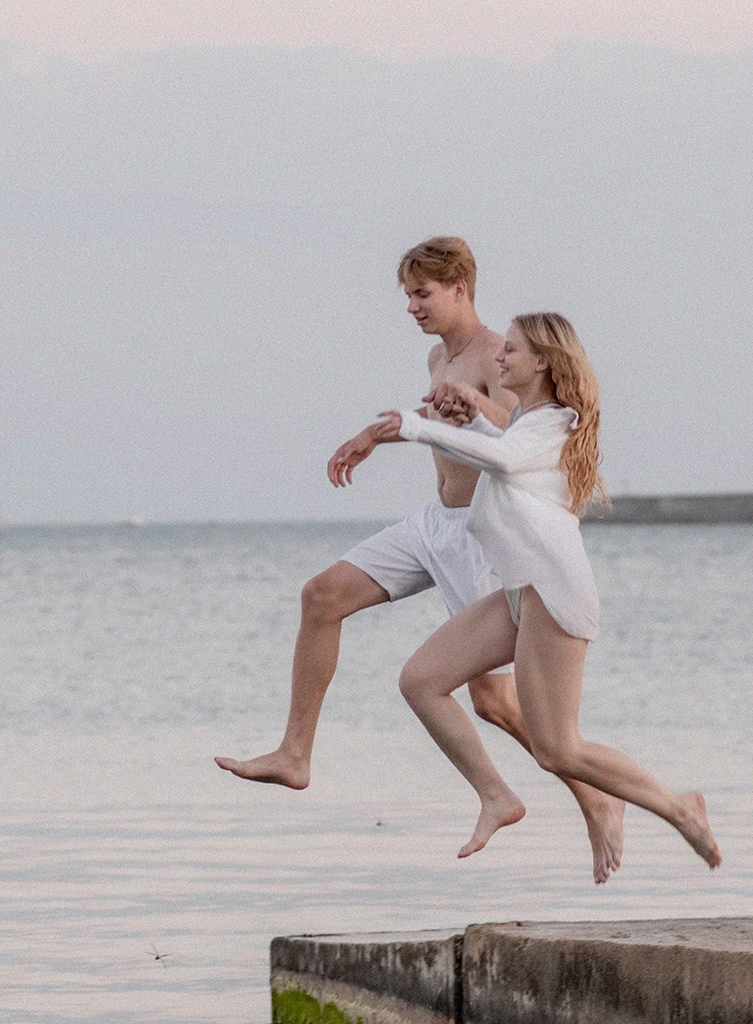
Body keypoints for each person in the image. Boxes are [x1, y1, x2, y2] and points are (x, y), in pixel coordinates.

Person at [215, 238, 629, 882]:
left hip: (480, 537)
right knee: (322, 596)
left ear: (460, 288)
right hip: (432, 525)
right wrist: (373, 434)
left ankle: (588, 797)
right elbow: (440, 411)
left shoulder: (499, 352)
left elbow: (523, 428)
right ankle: (295, 754)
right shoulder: (440, 354)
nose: (412, 307)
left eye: (422, 294)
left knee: (494, 703)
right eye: (408, 294)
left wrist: (471, 407)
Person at [363, 312, 722, 868]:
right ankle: (495, 796)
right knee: (422, 681)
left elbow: (505, 461)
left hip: (553, 594)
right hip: (519, 593)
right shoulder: (525, 424)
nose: (499, 358)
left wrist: (416, 427)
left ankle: (679, 807)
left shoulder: (555, 419)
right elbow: (505, 457)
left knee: (559, 748)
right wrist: (469, 424)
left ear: (543, 362)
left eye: (510, 350)